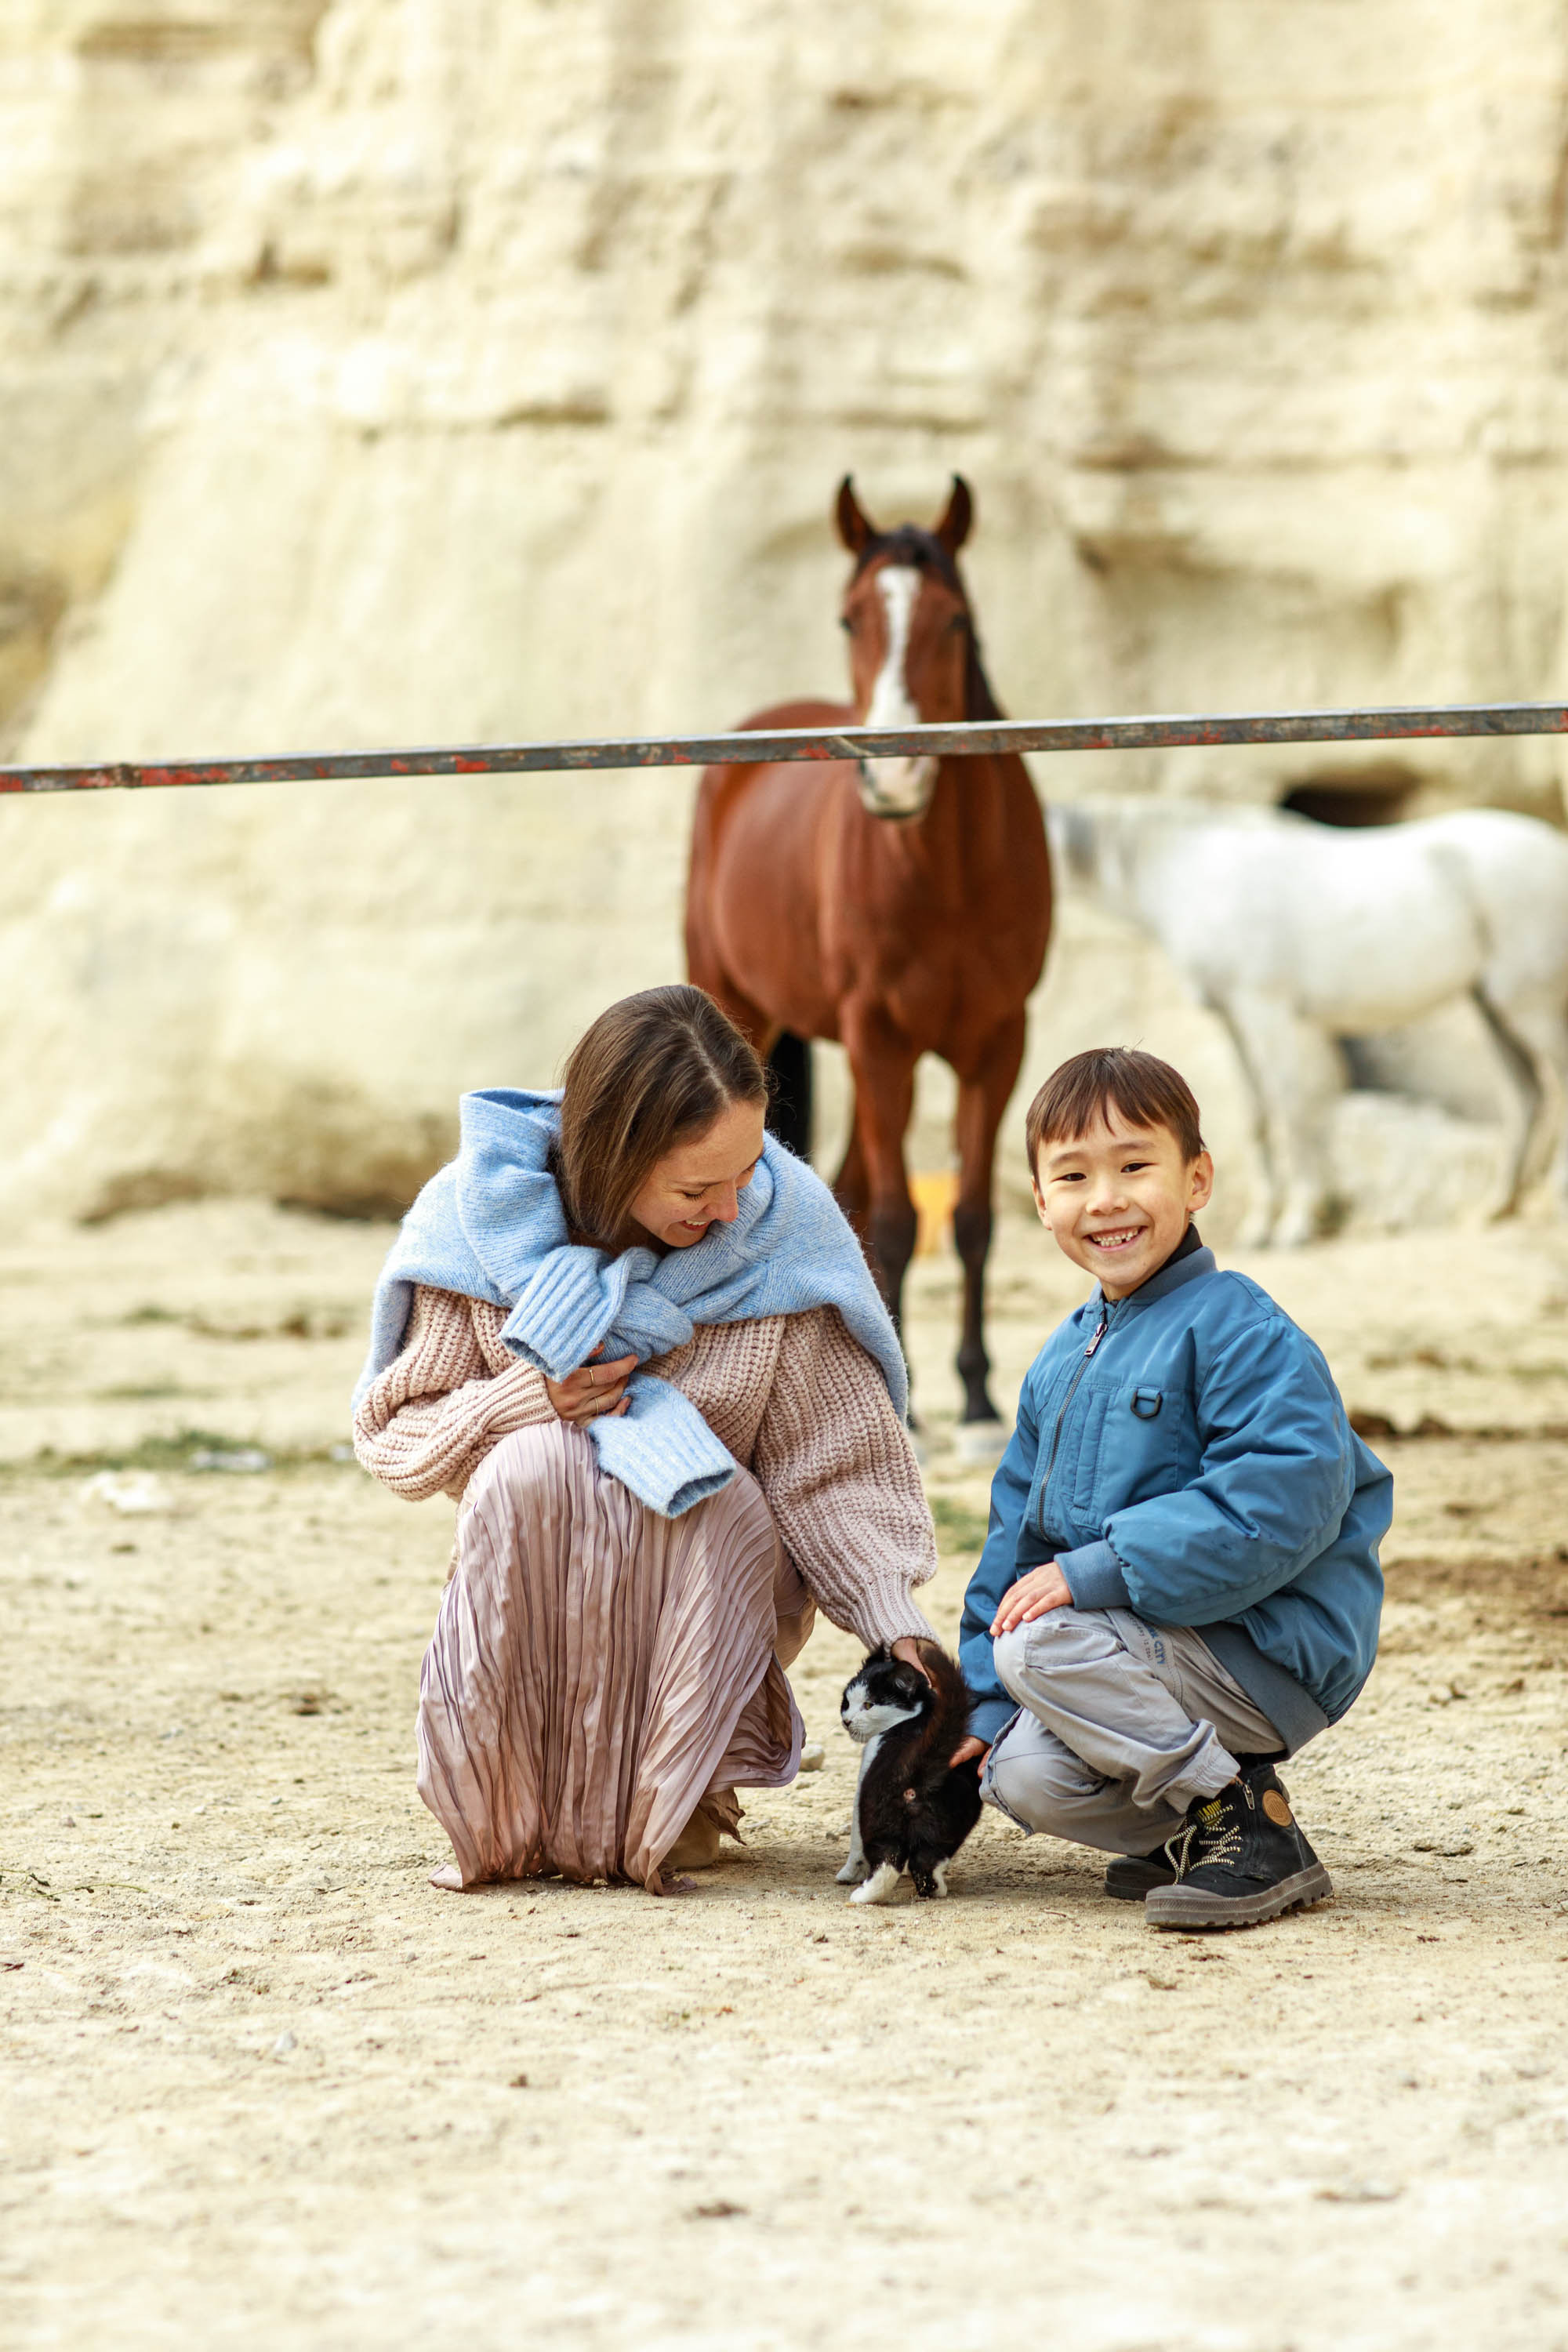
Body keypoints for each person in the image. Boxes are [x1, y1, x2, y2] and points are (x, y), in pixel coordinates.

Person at [353, 985, 936, 1895]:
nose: (732, 1209)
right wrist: (529, 1400)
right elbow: (397, 1431)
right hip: (552, 1589)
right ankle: (521, 1787)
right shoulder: (470, 1223)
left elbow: (833, 1471)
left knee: (704, 1485)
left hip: (712, 1584)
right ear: (611, 1159)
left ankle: (689, 1778)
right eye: (696, 1189)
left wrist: (896, 1631)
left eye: (746, 1171)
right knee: (532, 1463)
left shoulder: (784, 1233)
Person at [954, 1047, 1392, 1930]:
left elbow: (1282, 1498)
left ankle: (1245, 1826)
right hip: (1143, 1649)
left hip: (1264, 1646)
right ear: (1040, 1201)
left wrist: (1098, 1570)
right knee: (1022, 1773)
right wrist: (981, 1703)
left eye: (1134, 1167)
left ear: (1196, 1180)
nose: (1104, 1199)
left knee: (1037, 1648)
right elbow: (1015, 1541)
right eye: (1072, 1176)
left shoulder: (1240, 1328)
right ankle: (1208, 1825)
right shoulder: (1060, 1358)